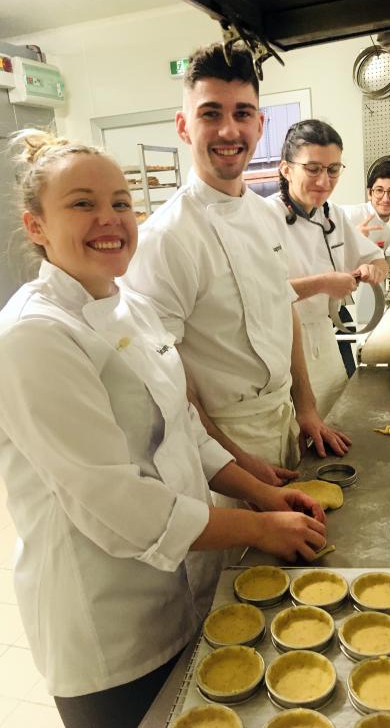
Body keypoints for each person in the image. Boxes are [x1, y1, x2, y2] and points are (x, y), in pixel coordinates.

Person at [0, 130, 327, 728]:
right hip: (108, 626)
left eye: (121, 202)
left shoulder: (128, 303)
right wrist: (259, 526)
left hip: (184, 591)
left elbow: (184, 429)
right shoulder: (33, 336)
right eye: (82, 203)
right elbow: (117, 506)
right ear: (36, 226)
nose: (110, 219)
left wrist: (260, 490)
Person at [124, 43, 351, 490]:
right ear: (183, 126)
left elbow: (283, 311)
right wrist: (236, 461)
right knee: (239, 560)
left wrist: (305, 408)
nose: (230, 129)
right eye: (210, 114)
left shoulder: (265, 214)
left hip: (284, 424)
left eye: (243, 113)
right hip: (219, 452)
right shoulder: (164, 239)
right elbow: (166, 381)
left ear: (260, 124)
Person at [266, 120, 389, 418]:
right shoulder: (263, 217)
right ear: (286, 169)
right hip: (282, 348)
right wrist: (323, 283)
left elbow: (379, 260)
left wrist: (372, 269)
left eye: (333, 169)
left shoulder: (331, 214)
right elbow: (263, 296)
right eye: (313, 169)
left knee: (338, 422)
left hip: (325, 339)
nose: (324, 180)